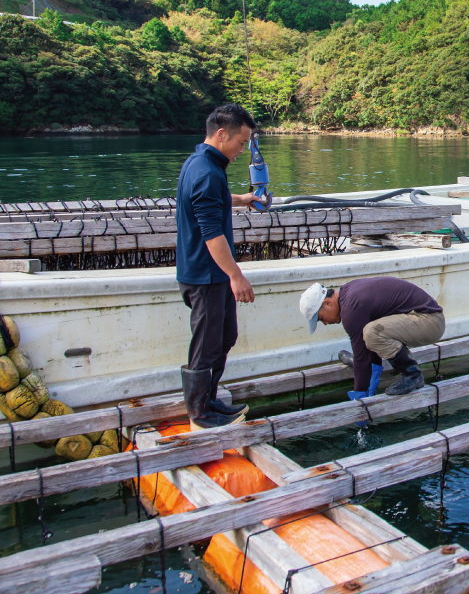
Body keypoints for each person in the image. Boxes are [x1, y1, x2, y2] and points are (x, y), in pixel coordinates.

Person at [177, 103, 264, 429]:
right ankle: (199, 413)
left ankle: (210, 400)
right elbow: (212, 235)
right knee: (206, 344)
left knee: (224, 337)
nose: (243, 150)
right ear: (222, 133)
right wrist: (236, 275)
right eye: (241, 143)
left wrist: (240, 199)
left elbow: (211, 199)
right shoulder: (206, 173)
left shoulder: (202, 164)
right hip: (207, 275)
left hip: (209, 273)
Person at [298, 277, 444, 398]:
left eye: (321, 318)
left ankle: (412, 375)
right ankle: (401, 374)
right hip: (424, 319)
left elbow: (363, 355)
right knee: (371, 334)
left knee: (371, 333)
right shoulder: (349, 294)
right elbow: (367, 349)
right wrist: (367, 376)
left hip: (429, 321)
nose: (325, 323)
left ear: (327, 303)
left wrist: (360, 401)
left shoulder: (350, 308)